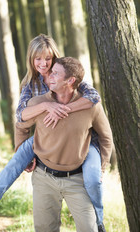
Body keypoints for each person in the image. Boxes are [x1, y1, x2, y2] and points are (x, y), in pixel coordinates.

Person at [0, 34, 104, 231]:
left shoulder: (67, 74)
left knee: (93, 178)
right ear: (31, 59)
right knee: (15, 163)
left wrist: (63, 109)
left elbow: (94, 97)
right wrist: (46, 106)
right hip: (46, 139)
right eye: (38, 59)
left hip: (80, 142)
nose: (43, 64)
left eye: (48, 58)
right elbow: (21, 117)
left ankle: (99, 221)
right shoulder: (30, 84)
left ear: (54, 57)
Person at [15, 56, 113, 232]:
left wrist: (102, 167)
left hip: (77, 180)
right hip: (43, 178)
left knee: (89, 229)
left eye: (55, 73)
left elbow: (106, 137)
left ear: (70, 80)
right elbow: (21, 125)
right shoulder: (39, 103)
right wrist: (24, 155)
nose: (49, 76)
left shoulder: (90, 106)